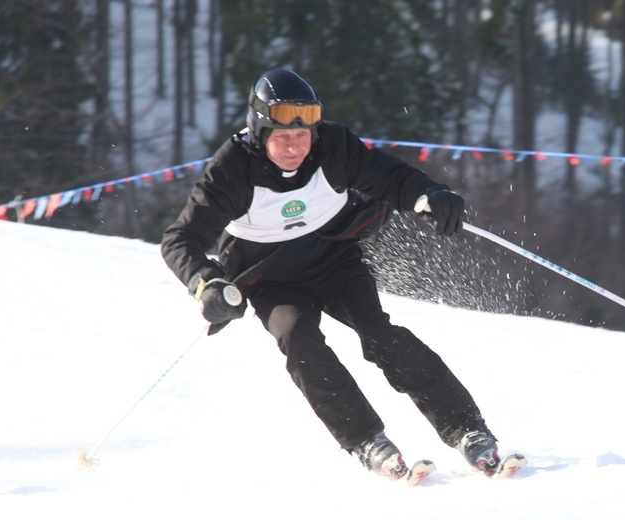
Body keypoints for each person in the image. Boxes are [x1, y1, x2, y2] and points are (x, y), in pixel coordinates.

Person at [161, 68, 499, 480]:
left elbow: (391, 176)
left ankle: (468, 430)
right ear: (259, 133)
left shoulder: (334, 147)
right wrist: (206, 283)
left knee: (380, 333)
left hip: (334, 262)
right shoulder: (231, 171)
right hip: (272, 281)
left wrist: (429, 194)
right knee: (298, 338)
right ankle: (366, 440)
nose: (294, 148)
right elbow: (180, 239)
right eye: (282, 137)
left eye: (302, 137)